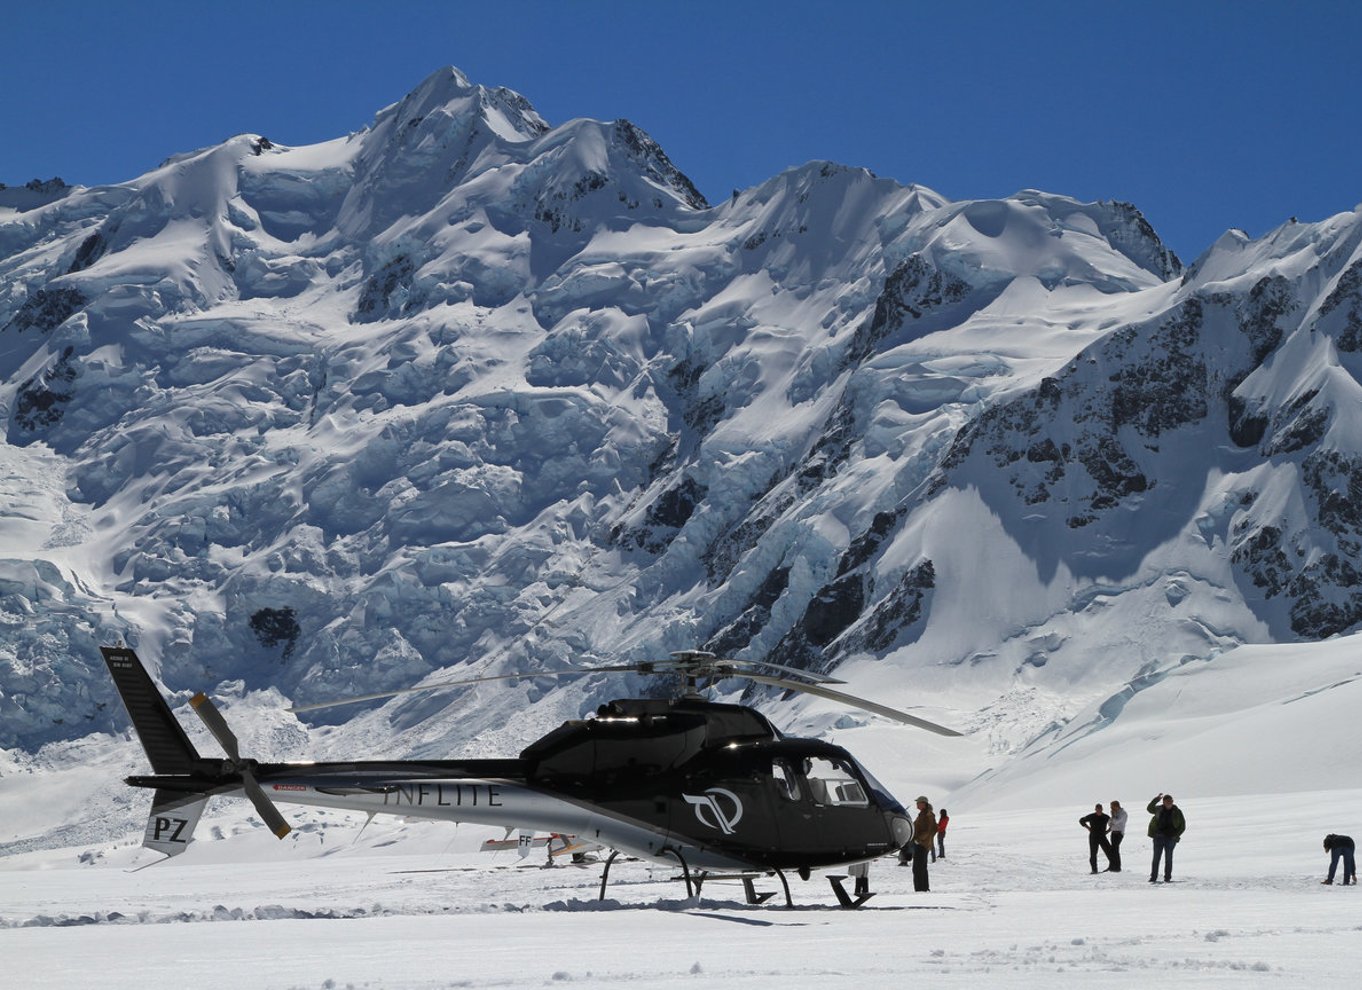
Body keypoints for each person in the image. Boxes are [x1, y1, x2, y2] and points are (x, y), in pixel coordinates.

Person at [1147, 793, 1186, 882]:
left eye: (1171, 801)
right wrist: (1156, 799)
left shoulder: (1177, 811)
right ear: (1164, 802)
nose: (1169, 803)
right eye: (1167, 801)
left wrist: (1176, 836)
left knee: (1168, 858)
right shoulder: (1158, 809)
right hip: (1158, 837)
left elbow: (1182, 826)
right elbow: (1149, 809)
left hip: (1170, 839)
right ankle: (1153, 877)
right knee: (1156, 858)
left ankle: (1167, 877)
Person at [1079, 803, 1113, 873]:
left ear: (1102, 809)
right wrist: (1088, 828)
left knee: (1109, 852)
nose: (1099, 811)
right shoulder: (1091, 816)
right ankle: (1094, 870)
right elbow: (1081, 820)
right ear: (1095, 809)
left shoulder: (1106, 817)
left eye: (1100, 809)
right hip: (1093, 837)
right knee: (1093, 853)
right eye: (1097, 810)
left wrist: (1107, 831)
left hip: (1102, 837)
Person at [912, 795, 936, 892]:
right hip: (921, 844)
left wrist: (919, 840)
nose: (917, 804)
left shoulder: (928, 815)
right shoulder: (923, 814)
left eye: (918, 802)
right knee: (920, 867)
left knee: (918, 868)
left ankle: (921, 889)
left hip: (922, 845)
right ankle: (923, 888)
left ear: (923, 804)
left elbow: (929, 830)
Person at [1108, 799, 1127, 873]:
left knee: (1116, 849)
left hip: (1119, 833)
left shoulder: (1123, 813)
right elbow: (1109, 822)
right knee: (1113, 850)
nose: (1111, 809)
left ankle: (1117, 867)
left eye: (1112, 807)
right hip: (1113, 832)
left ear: (1116, 806)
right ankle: (1112, 866)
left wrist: (1113, 816)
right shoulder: (1115, 813)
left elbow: (1116, 821)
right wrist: (1112, 819)